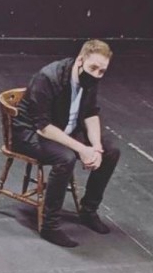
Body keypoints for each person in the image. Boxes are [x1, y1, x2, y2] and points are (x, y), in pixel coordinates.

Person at [12, 39, 121, 247]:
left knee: (111, 151)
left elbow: (90, 113)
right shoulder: (48, 78)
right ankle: (49, 226)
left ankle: (88, 210)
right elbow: (43, 127)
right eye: (93, 68)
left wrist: (96, 147)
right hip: (31, 133)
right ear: (80, 61)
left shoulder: (90, 81)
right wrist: (82, 149)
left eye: (102, 71)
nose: (97, 74)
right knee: (66, 158)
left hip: (64, 127)